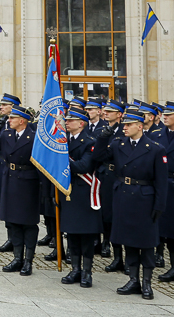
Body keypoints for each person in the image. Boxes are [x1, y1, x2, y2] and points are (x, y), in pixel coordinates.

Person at [96, 106, 168, 300]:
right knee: (129, 242)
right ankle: (133, 279)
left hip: (145, 199)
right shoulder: (118, 144)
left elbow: (161, 183)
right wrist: (104, 137)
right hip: (123, 197)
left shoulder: (154, 148)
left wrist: (159, 206)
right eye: (124, 124)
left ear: (139, 126)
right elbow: (99, 157)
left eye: (128, 125)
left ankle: (146, 283)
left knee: (145, 243)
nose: (125, 128)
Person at [0, 106, 39, 275]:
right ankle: (17, 258)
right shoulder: (7, 134)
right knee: (13, 222)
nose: (9, 121)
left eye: (12, 118)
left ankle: (28, 261)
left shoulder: (33, 136)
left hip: (28, 181)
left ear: (22, 120)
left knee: (29, 223)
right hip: (10, 179)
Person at [59, 107, 102, 288]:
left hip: (84, 192)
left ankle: (87, 271)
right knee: (72, 233)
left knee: (86, 235)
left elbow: (84, 166)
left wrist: (60, 159)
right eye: (66, 120)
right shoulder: (63, 141)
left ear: (81, 123)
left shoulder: (90, 142)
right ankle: (75, 269)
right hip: (68, 191)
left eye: (71, 120)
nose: (66, 122)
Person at [98, 100, 125, 270]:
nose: (105, 113)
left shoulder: (126, 130)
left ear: (120, 114)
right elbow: (99, 155)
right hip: (107, 177)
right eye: (105, 110)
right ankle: (115, 255)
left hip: (120, 176)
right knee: (108, 216)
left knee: (122, 218)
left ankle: (128, 258)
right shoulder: (103, 130)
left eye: (110, 111)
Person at [156, 102, 174, 282]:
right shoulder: (158, 134)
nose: (165, 117)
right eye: (164, 114)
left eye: (169, 114)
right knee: (169, 231)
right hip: (164, 184)